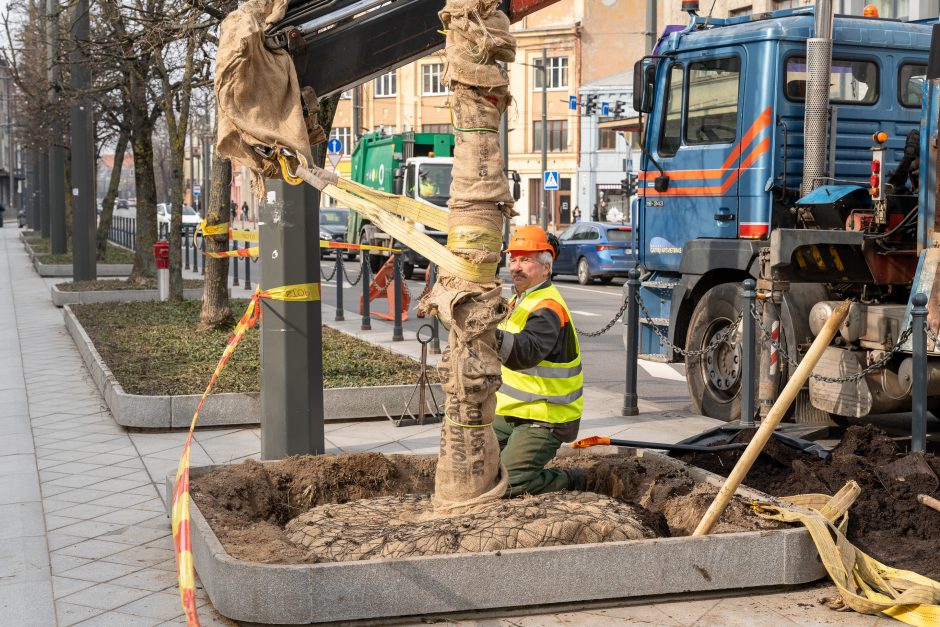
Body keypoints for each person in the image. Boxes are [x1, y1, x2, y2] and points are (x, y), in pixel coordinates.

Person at [494, 225, 585, 497]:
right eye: (513, 259)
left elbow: (526, 352)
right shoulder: (520, 299)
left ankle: (572, 480)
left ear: (546, 267)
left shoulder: (547, 306)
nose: (516, 267)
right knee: (474, 466)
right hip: (512, 411)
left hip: (546, 416)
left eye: (526, 260)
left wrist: (488, 334)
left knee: (509, 484)